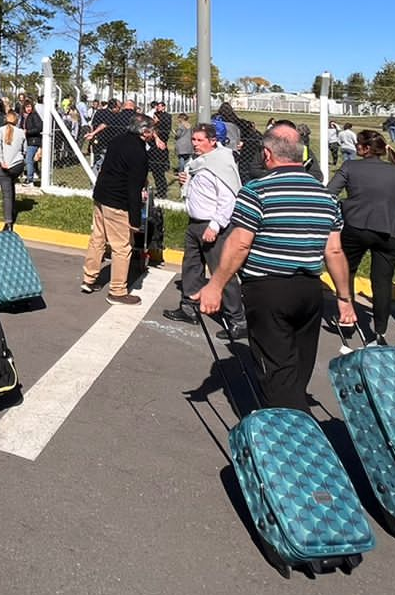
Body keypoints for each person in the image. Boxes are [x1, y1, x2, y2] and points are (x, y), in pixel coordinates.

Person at [196, 123, 357, 411]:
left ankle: (293, 436)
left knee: (276, 373)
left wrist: (216, 284)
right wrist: (344, 299)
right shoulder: (327, 198)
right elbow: (334, 250)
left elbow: (240, 244)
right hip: (309, 291)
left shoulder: (256, 191)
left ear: (267, 154)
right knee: (298, 366)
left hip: (268, 290)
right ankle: (291, 412)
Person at [327, 128, 395, 344]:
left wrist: (345, 206)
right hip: (390, 230)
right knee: (382, 281)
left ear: (363, 148)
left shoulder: (350, 167)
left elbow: (329, 193)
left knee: (347, 272)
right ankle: (380, 330)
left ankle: (347, 320)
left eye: (358, 145)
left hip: (356, 227)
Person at [162, 123, 243, 336]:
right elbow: (197, 189)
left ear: (213, 141)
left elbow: (228, 199)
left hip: (212, 225)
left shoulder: (220, 163)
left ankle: (237, 319)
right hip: (194, 224)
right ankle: (189, 307)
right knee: (191, 266)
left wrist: (215, 226)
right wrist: (186, 182)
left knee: (221, 271)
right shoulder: (198, 163)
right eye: (194, 140)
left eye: (199, 140)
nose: (195, 144)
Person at [81, 112, 151, 306]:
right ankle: (117, 290)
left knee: (98, 238)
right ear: (144, 131)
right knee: (122, 247)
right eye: (151, 130)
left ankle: (89, 279)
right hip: (118, 202)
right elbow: (134, 187)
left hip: (102, 195)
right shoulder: (138, 151)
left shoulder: (117, 140)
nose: (152, 133)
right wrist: (135, 220)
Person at [0, 110, 27, 229]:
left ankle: (8, 221)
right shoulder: (21, 132)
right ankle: (13, 208)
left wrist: (2, 161)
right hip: (17, 165)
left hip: (4, 165)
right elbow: (24, 150)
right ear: (16, 120)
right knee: (11, 185)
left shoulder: (0, 131)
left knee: (6, 194)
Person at [20, 98, 43, 183]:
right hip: (29, 140)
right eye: (26, 107)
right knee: (30, 159)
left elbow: (39, 128)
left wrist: (28, 132)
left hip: (34, 140)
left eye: (29, 106)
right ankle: (31, 175)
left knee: (28, 159)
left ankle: (29, 178)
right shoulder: (26, 116)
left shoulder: (34, 116)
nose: (28, 109)